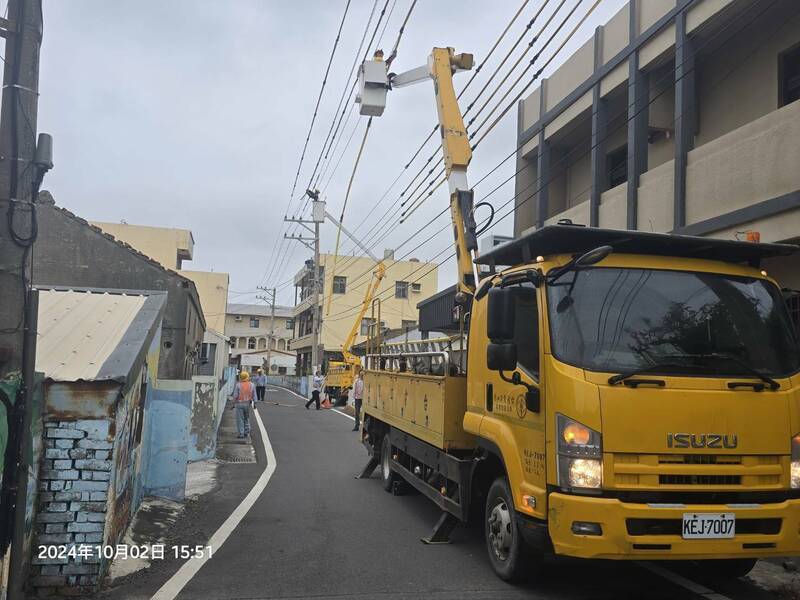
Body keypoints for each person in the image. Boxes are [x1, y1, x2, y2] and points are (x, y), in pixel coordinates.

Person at [232, 371, 257, 438]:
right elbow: (254, 395)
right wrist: (255, 403)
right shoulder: (252, 385)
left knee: (240, 419)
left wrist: (233, 403)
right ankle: (247, 432)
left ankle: (241, 433)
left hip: (239, 404)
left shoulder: (238, 385)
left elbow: (235, 396)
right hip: (247, 404)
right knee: (246, 418)